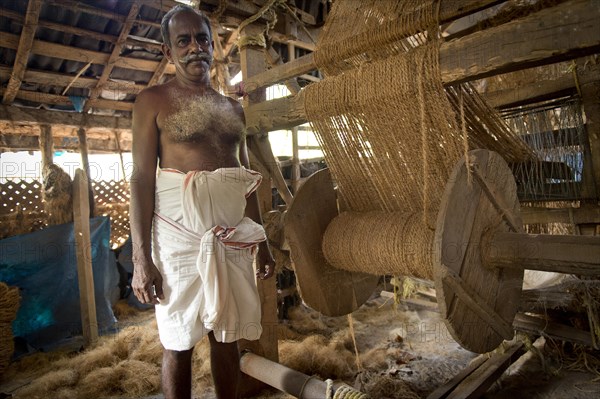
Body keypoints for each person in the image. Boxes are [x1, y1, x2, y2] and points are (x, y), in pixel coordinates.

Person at [129, 5, 275, 399]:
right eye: (184, 41)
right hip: (178, 243)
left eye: (202, 39)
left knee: (226, 336)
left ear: (213, 46)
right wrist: (142, 260)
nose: (195, 48)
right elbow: (142, 179)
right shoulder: (152, 101)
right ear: (168, 51)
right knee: (178, 341)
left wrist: (259, 242)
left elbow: (244, 181)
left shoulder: (232, 109)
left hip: (230, 238)